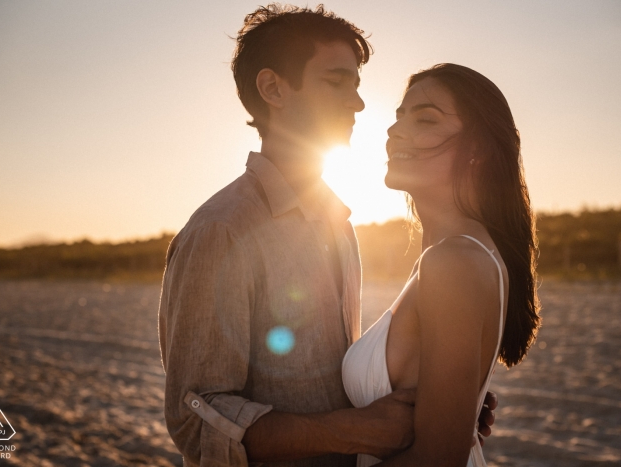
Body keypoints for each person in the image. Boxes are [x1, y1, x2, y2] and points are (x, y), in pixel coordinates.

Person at [158, 6, 495, 467]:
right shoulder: (222, 230)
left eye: (356, 86)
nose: (357, 103)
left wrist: (439, 404)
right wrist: (351, 431)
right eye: (336, 83)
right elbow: (196, 418)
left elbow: (334, 376)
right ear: (273, 88)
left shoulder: (338, 221)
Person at [342, 63, 541, 467]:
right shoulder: (450, 255)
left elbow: (436, 460)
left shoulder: (453, 262)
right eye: (398, 118)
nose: (394, 131)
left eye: (425, 119)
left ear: (478, 149)